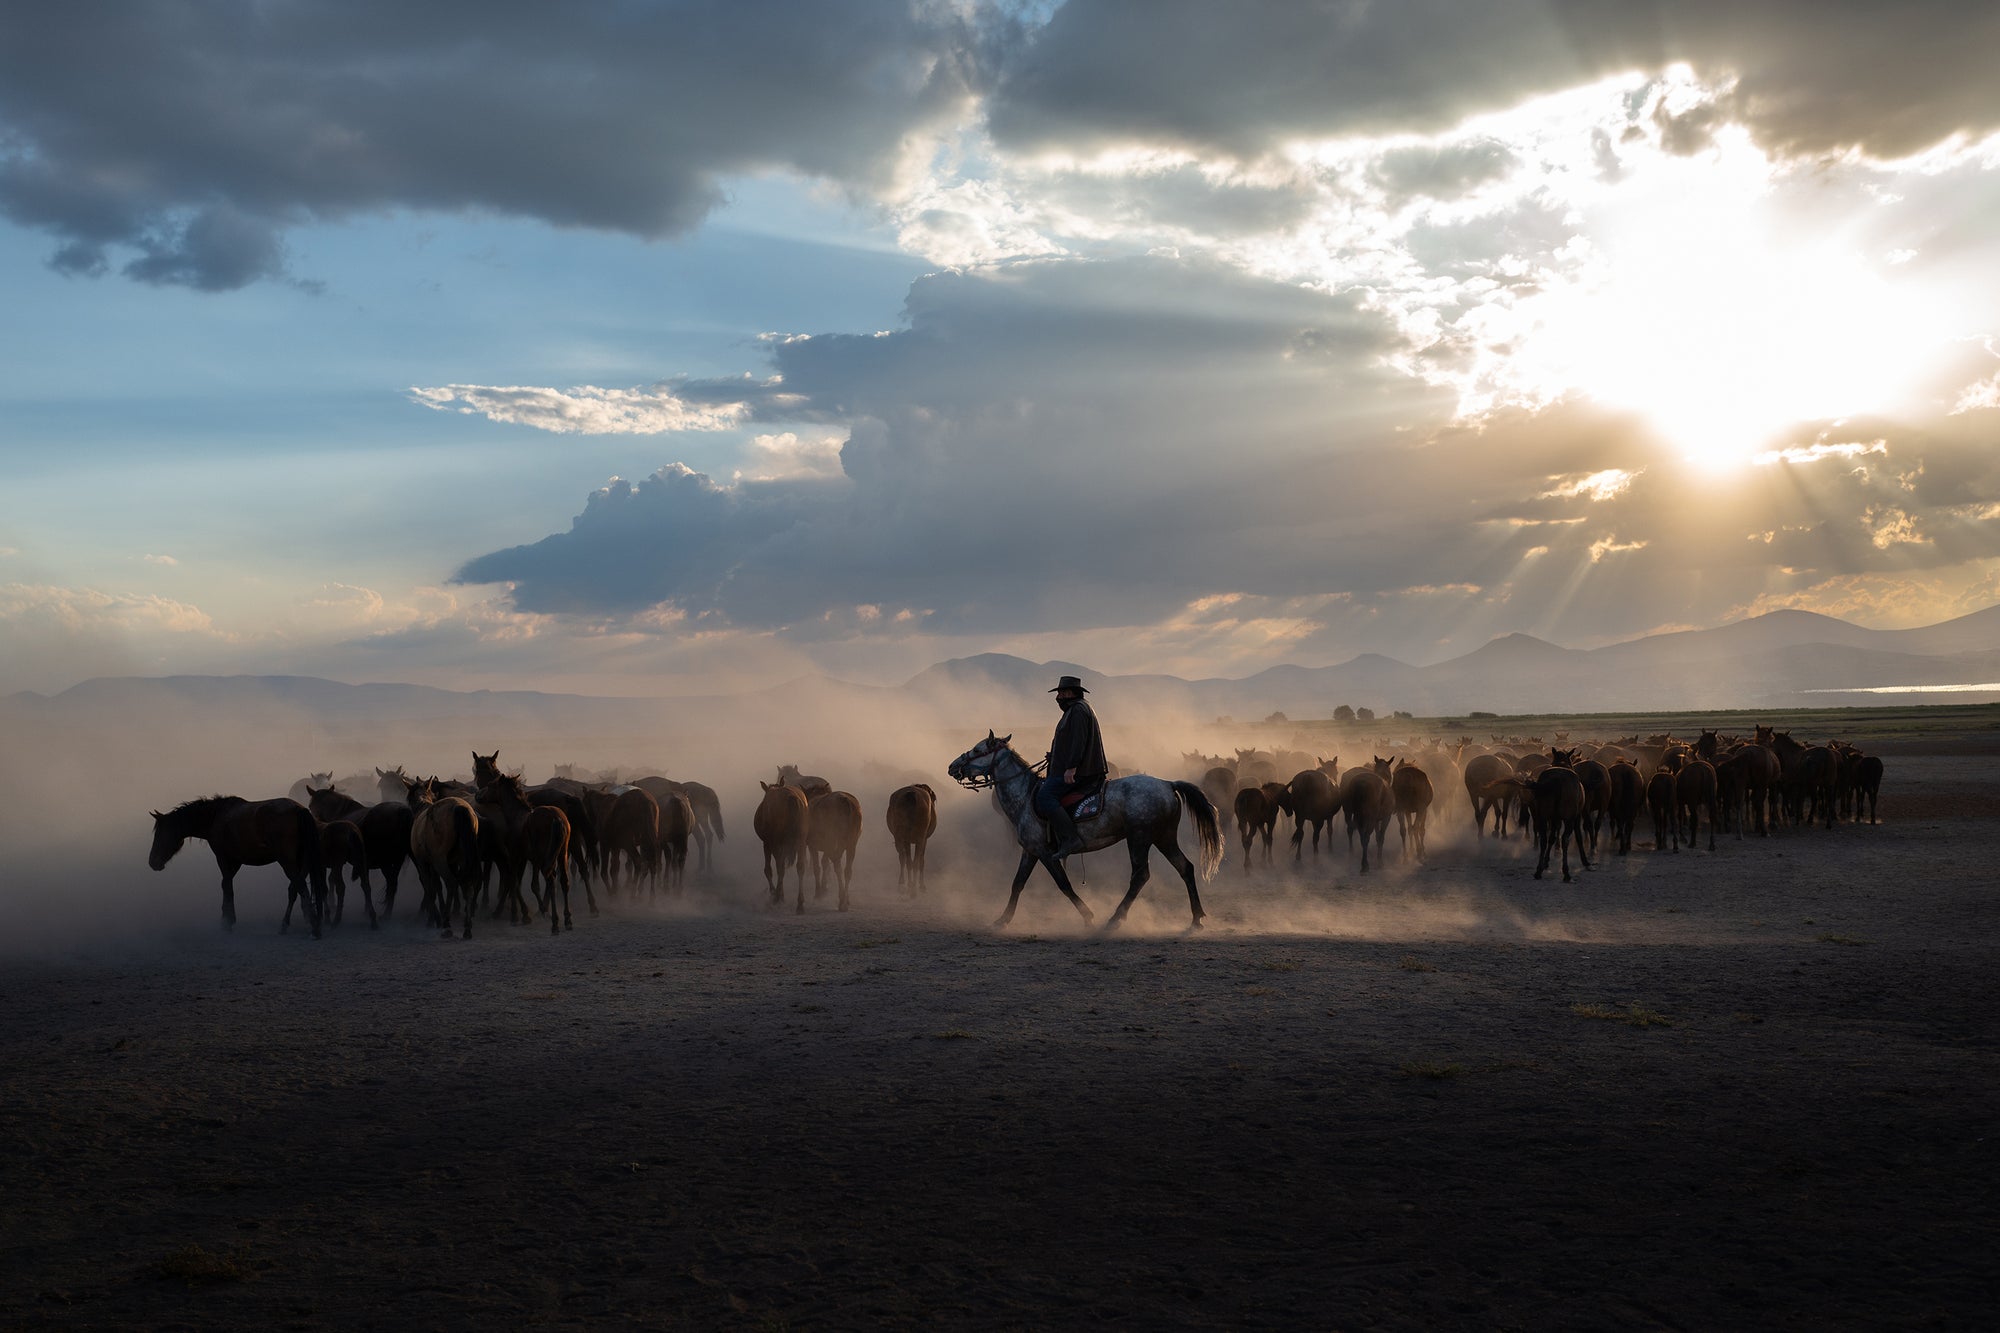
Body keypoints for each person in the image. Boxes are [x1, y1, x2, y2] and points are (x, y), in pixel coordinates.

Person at [1034, 675, 1106, 857]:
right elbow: (1069, 741)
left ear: (1072, 693)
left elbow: (1078, 741)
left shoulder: (1078, 711)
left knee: (1045, 796)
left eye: (1062, 692)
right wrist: (1054, 756)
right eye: (1058, 693)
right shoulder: (1075, 709)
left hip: (1081, 771)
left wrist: (1072, 767)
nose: (1058, 697)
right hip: (1077, 768)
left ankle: (1070, 838)